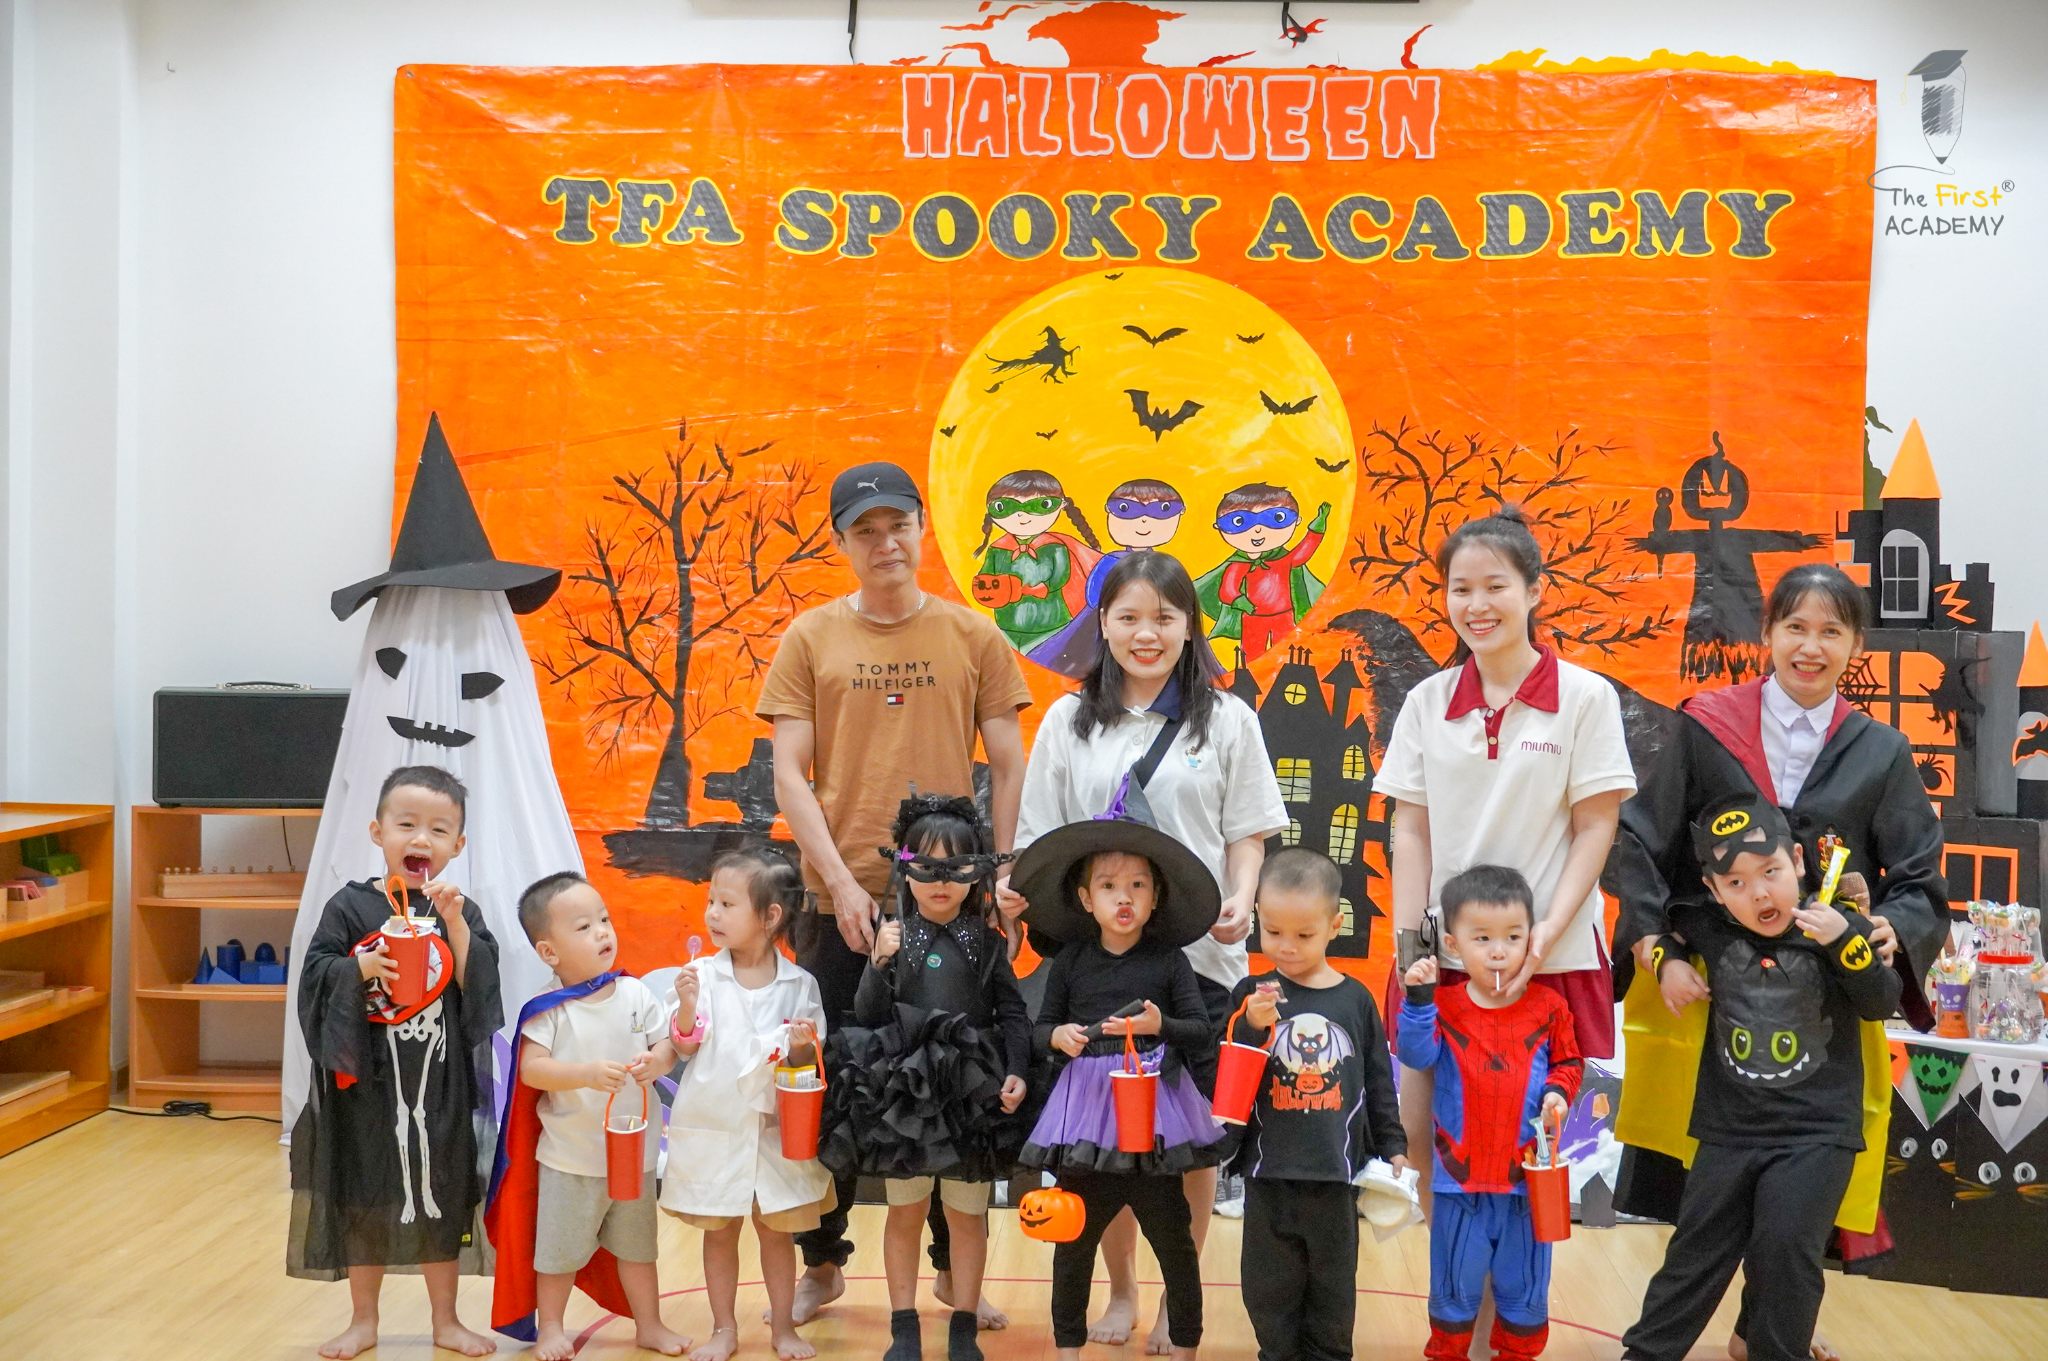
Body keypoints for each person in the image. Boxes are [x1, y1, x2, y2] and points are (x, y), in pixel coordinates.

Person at [1604, 561, 1946, 1361]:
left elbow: (1919, 878)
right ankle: (1726, 1329)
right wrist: (1652, 940)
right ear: (1767, 634)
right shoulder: (1707, 725)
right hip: (1710, 988)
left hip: (1822, 995)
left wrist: (1891, 925)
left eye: (1831, 631)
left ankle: (1765, 1326)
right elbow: (1641, 838)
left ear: (1855, 645)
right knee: (1709, 1189)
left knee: (1796, 1190)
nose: (1810, 646)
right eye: (1795, 626)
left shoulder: (1880, 751)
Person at [758, 460, 1032, 1326]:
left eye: (898, 524)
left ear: (922, 527)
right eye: (865, 530)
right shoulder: (810, 638)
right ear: (842, 542)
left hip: (947, 899)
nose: (885, 542)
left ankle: (954, 1270)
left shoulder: (972, 634)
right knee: (834, 1078)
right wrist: (842, 883)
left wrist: (998, 872)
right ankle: (823, 1258)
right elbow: (790, 774)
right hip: (838, 900)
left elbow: (1009, 760)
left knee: (958, 1076)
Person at [1005, 549, 1285, 1352]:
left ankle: (1175, 1299)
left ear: (1191, 625)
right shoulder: (1068, 720)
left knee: (1188, 1146)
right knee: (1105, 1144)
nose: (1146, 633)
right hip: (1101, 967)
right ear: (1102, 624)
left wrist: (1240, 897)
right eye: (1128, 616)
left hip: (1202, 963)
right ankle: (1122, 1289)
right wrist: (1017, 903)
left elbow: (1248, 833)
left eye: (1164, 616)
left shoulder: (1227, 718)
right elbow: (1040, 841)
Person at [1375, 506, 1634, 1201]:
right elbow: (1411, 831)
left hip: (1549, 960)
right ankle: (1445, 1277)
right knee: (1427, 1142)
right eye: (1460, 589)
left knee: (1527, 1154)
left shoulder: (1585, 698)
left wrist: (1543, 935)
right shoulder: (1426, 702)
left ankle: (1515, 1282)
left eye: (1495, 586)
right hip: (1446, 960)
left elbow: (1596, 828)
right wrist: (1412, 947)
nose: (1477, 605)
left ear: (1534, 590)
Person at [1618, 797, 1900, 1361]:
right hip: (1728, 1130)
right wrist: (1668, 964)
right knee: (1695, 1255)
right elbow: (1664, 929)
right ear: (1714, 889)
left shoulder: (1837, 923)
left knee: (1786, 1252)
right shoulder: (1708, 921)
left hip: (1818, 1133)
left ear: (1796, 860)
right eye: (1737, 883)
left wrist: (1844, 941)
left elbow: (1881, 1002)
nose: (1760, 895)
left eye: (1770, 872)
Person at [287, 765, 503, 1360]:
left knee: (443, 1194)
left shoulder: (458, 911)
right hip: (366, 1084)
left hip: (441, 1084)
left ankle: (446, 1321)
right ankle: (364, 1321)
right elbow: (314, 976)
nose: (421, 838)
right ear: (377, 831)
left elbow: (479, 985)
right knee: (364, 1194)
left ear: (458, 844)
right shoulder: (349, 905)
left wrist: (455, 923)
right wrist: (356, 968)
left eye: (439, 829)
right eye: (406, 824)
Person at [1011, 784, 1229, 1361]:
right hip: (1086, 1116)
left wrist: (1161, 1025)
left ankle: (1184, 1343)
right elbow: (1040, 1029)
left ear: (1155, 898)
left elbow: (1199, 1031)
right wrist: (1056, 1036)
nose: (1123, 898)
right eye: (1108, 887)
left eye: (1137, 886)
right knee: (1073, 1238)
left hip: (1153, 1112)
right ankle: (1067, 1348)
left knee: (1174, 1241)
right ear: (1086, 899)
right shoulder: (1072, 961)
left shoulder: (1169, 961)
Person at [819, 795, 1031, 1361]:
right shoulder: (894, 938)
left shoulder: (987, 943)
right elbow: (868, 1014)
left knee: (967, 1215)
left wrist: (1016, 1070)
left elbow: (1013, 1014)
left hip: (972, 1094)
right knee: (905, 1212)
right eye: (928, 867)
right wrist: (876, 963)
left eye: (955, 868)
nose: (940, 882)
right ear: (905, 869)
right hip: (906, 1096)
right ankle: (903, 1326)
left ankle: (963, 1323)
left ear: (976, 874)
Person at [1223, 848, 1407, 1361]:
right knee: (1266, 1288)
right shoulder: (1251, 994)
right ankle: (1275, 1353)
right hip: (1268, 1173)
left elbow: (1378, 1079)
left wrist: (1392, 1144)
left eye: (1304, 935)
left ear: (1334, 925)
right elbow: (1227, 1069)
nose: (1286, 946)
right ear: (1257, 917)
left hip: (1336, 1176)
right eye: (1273, 931)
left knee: (1333, 1292)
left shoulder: (1356, 999)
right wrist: (1249, 1026)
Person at [1398, 865, 1584, 1361]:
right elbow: (1416, 1055)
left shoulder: (1549, 1007)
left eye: (1512, 937)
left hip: (1529, 1187)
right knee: (1452, 1297)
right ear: (1453, 944)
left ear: (1531, 938)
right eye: (1482, 938)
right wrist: (1418, 1001)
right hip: (1458, 1188)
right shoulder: (1444, 1005)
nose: (1498, 950)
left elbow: (1568, 1062)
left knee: (1524, 1298)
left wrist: (1558, 1093)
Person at [497, 873, 686, 1360]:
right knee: (558, 1254)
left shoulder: (634, 993)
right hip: (570, 1160)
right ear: (548, 952)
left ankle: (649, 1324)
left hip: (634, 1157)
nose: (602, 931)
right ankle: (551, 1328)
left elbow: (666, 1045)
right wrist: (583, 1073)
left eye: (604, 919)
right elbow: (532, 1070)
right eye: (583, 927)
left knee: (639, 1249)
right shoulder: (549, 1010)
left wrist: (658, 1061)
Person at [660, 849, 833, 1361]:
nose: (713, 913)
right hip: (715, 1126)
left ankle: (783, 1327)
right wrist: (686, 1007)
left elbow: (808, 1060)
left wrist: (801, 1044)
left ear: (770, 916)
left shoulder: (799, 984)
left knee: (776, 1233)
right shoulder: (700, 976)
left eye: (727, 904)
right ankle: (723, 1329)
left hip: (774, 1133)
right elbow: (684, 1045)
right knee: (719, 1234)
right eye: (711, 901)